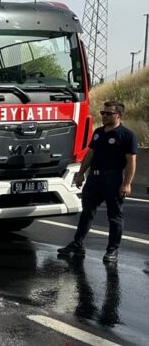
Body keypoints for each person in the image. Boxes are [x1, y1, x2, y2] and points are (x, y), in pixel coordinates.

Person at [58, 101, 137, 262]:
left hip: (113, 179)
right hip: (94, 178)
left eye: (108, 113)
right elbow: (90, 154)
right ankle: (77, 244)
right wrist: (80, 174)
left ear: (118, 116)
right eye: (103, 113)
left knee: (114, 216)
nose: (104, 116)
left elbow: (131, 162)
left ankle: (112, 251)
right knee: (87, 213)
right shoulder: (98, 132)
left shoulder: (127, 136)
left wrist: (127, 183)